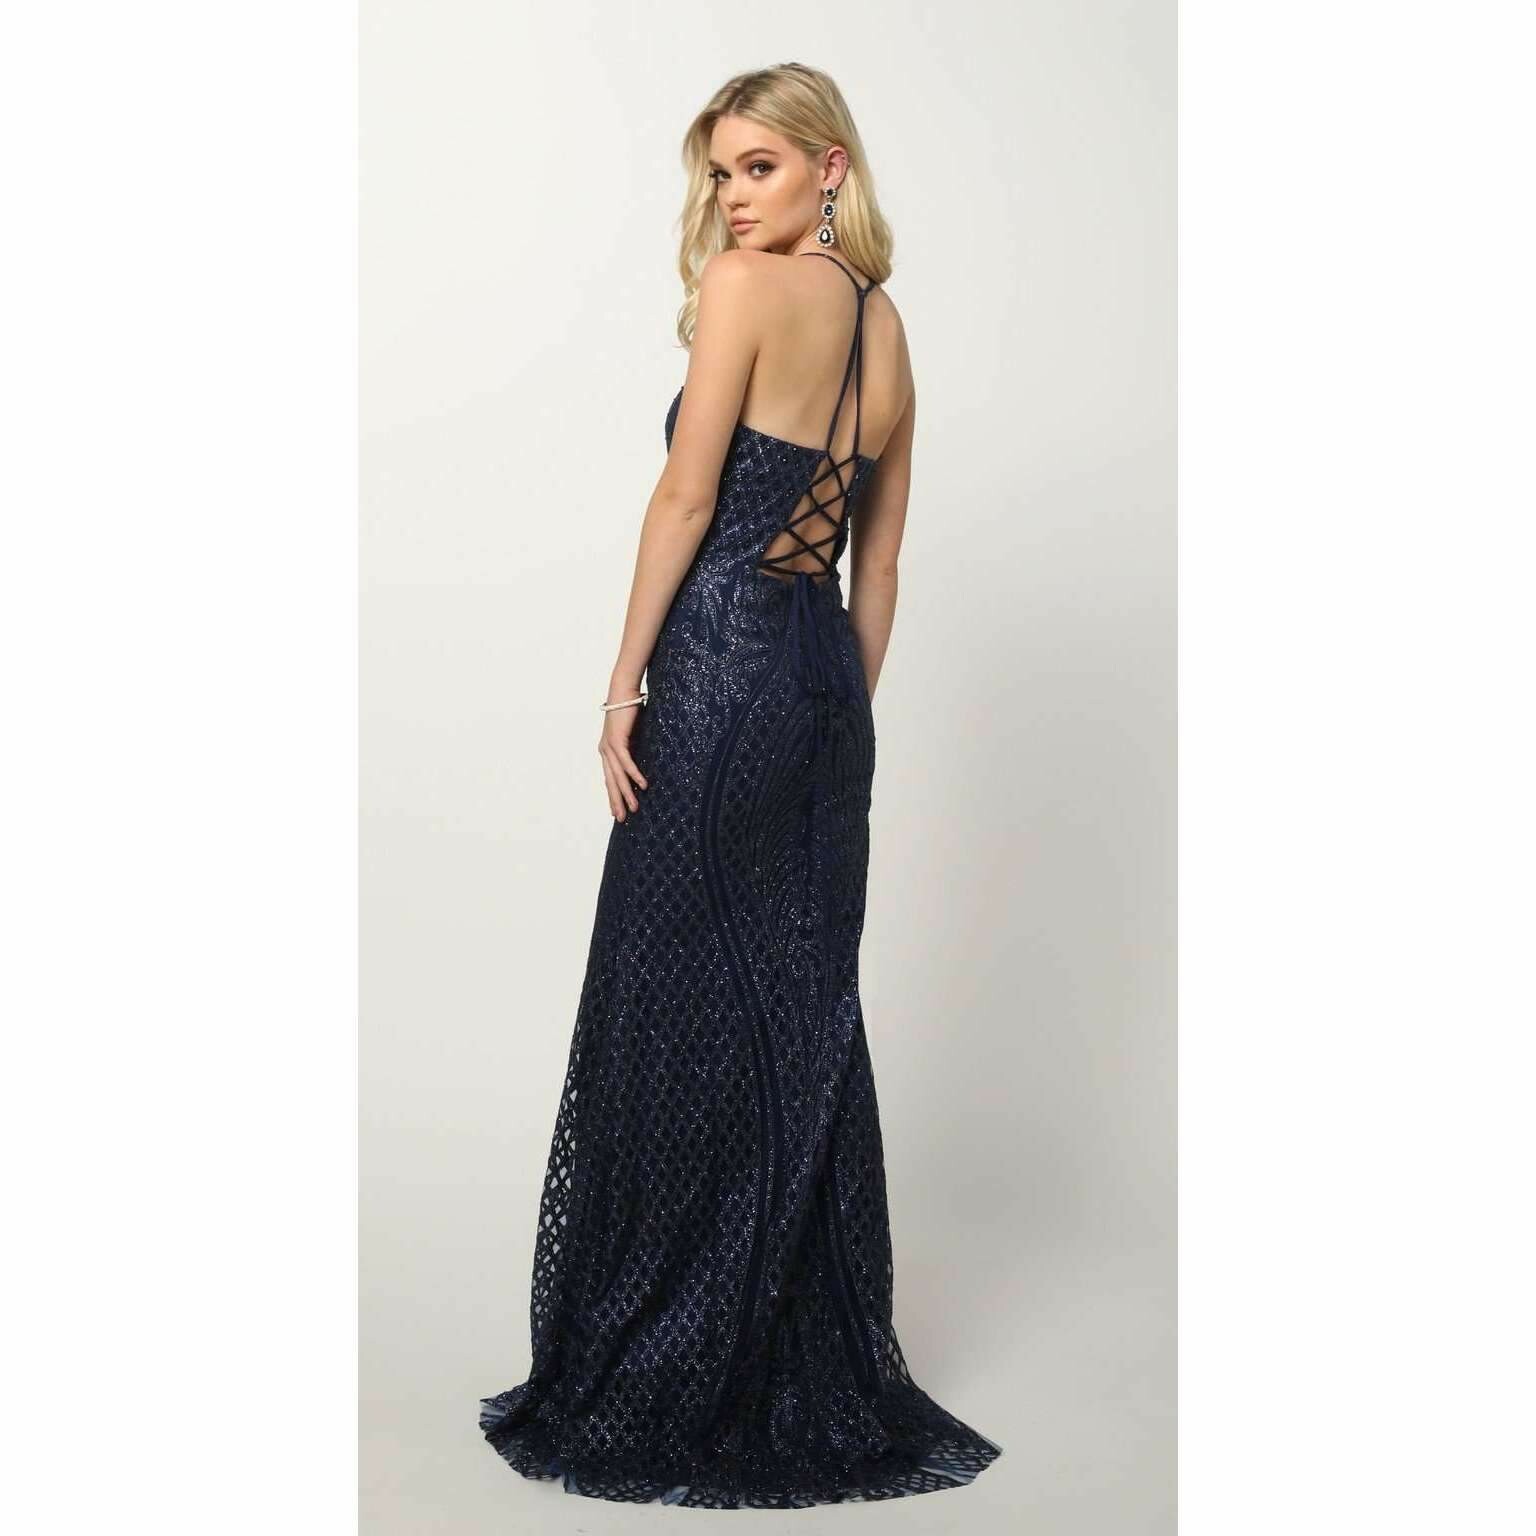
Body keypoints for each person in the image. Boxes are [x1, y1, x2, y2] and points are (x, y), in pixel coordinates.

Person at [477, 62, 1003, 1509]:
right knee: (794, 1005)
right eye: (720, 174)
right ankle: (782, 1347)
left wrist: (623, 684)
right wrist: (835, 712)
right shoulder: (887, 327)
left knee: (667, 994)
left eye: (759, 167)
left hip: (716, 664)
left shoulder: (741, 292)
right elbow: (879, 562)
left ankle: (659, 1357)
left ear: (833, 167)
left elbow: (688, 496)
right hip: (826, 682)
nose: (732, 198)